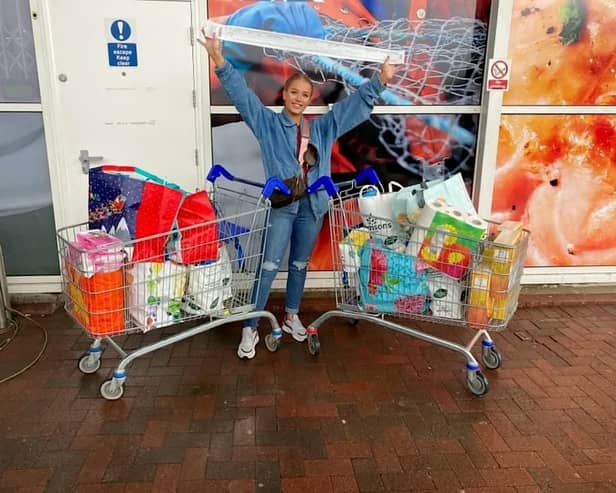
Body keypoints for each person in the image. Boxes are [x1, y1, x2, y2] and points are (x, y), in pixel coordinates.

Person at [199, 30, 399, 359]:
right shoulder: (267, 124)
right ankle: (251, 327)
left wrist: (381, 80)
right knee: (268, 266)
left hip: (313, 206)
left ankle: (291, 316)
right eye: (293, 92)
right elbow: (242, 96)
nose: (298, 98)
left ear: (309, 99)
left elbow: (354, 107)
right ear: (285, 95)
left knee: (299, 264)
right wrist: (218, 59)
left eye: (304, 94)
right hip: (282, 206)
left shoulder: (322, 127)